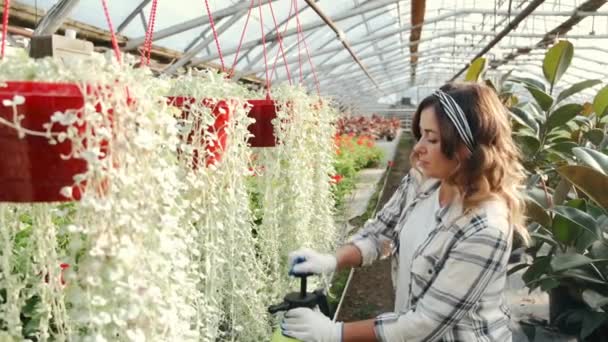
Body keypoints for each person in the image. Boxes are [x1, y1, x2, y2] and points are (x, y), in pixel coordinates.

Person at [281, 82, 529, 342]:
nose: (418, 147)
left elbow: (426, 322)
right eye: (420, 134)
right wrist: (331, 261)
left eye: (432, 138)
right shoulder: (424, 180)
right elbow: (381, 233)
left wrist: (335, 333)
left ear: (466, 148)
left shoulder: (485, 227)